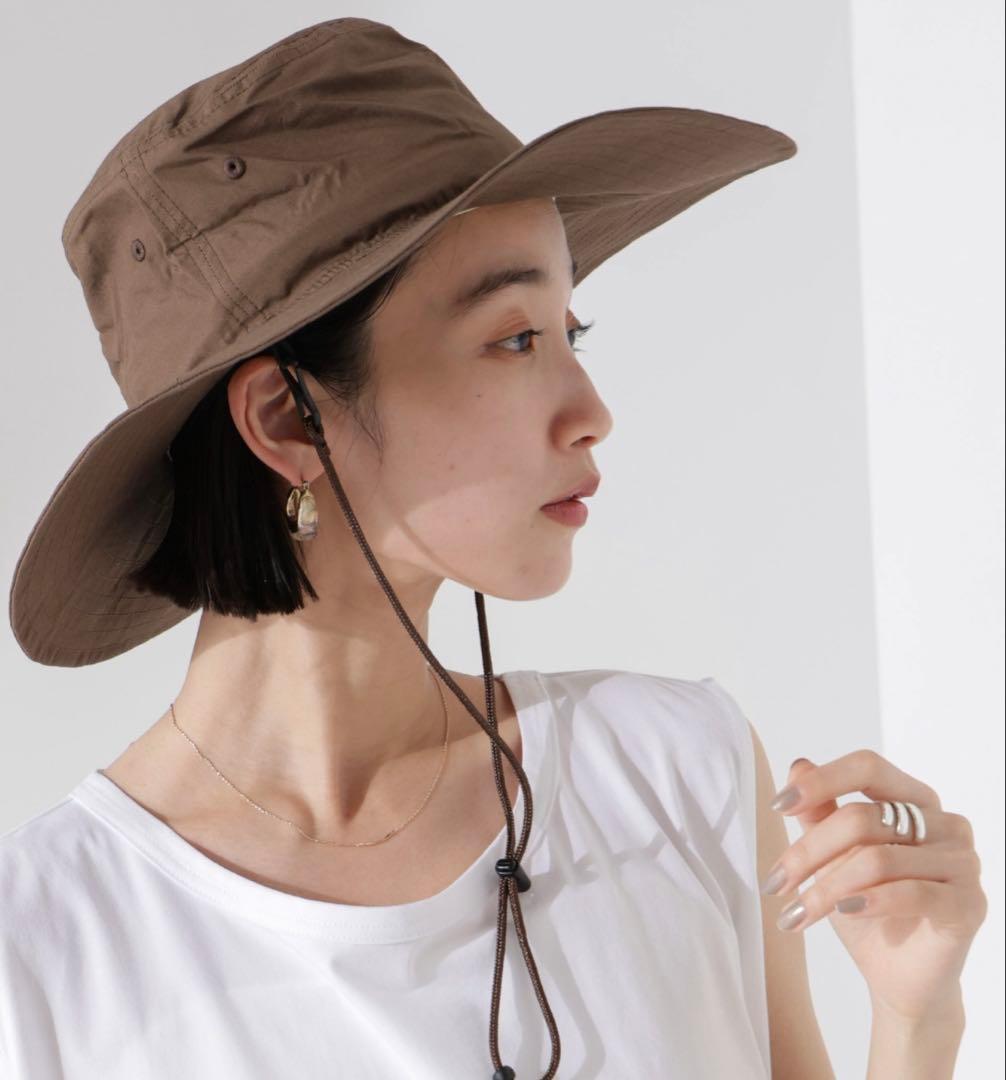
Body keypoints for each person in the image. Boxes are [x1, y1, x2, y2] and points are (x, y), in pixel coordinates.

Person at [4, 16, 984, 1080]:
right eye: (516, 338)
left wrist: (916, 1021)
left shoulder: (672, 769)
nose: (592, 411)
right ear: (288, 420)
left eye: (573, 332)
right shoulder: (46, 954)